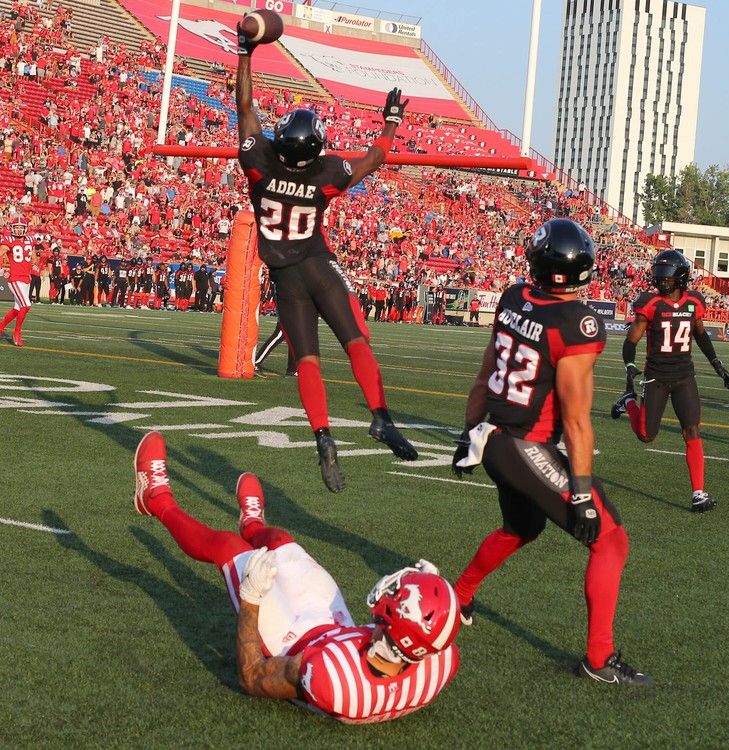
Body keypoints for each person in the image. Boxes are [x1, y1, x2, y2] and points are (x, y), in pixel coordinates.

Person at [132, 431, 461, 722]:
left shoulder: (331, 678)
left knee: (228, 548)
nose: (392, 591)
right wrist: (432, 590)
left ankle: (156, 499)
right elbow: (433, 632)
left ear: (396, 637)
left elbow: (252, 676)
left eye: (396, 599)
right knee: (281, 543)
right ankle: (253, 525)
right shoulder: (438, 658)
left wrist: (251, 597)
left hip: (292, 641)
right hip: (335, 629)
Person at [450, 218, 651, 687]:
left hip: (494, 439)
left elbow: (485, 373)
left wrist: (467, 433)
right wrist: (580, 492)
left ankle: (460, 595)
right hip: (525, 444)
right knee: (610, 540)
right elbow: (578, 422)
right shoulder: (576, 324)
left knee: (522, 528)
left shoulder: (512, 297)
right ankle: (599, 659)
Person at [235, 23, 417, 492]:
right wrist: (392, 121)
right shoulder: (328, 174)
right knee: (355, 339)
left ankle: (322, 436)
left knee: (309, 360)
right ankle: (380, 416)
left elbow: (246, 107)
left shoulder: (258, 163)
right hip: (318, 264)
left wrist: (245, 53)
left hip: (285, 277)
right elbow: (374, 159)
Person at [610, 250, 729, 512]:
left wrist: (716, 362)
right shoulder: (650, 304)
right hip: (657, 376)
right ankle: (629, 402)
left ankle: (698, 492)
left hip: (684, 375)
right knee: (646, 436)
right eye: (659, 272)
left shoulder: (694, 303)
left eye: (666, 273)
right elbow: (631, 341)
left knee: (692, 430)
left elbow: (700, 335)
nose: (661, 278)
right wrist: (630, 367)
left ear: (680, 276)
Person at [0, 222, 35, 346]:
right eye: (17, 227)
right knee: (26, 305)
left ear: (25, 228)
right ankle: (17, 333)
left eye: (21, 227)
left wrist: (33, 267)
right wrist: (3, 268)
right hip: (15, 278)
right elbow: (1, 253)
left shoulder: (30, 239)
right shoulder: (8, 239)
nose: (19, 230)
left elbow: (32, 254)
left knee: (17, 309)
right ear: (12, 229)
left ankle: (0, 327)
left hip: (26, 278)